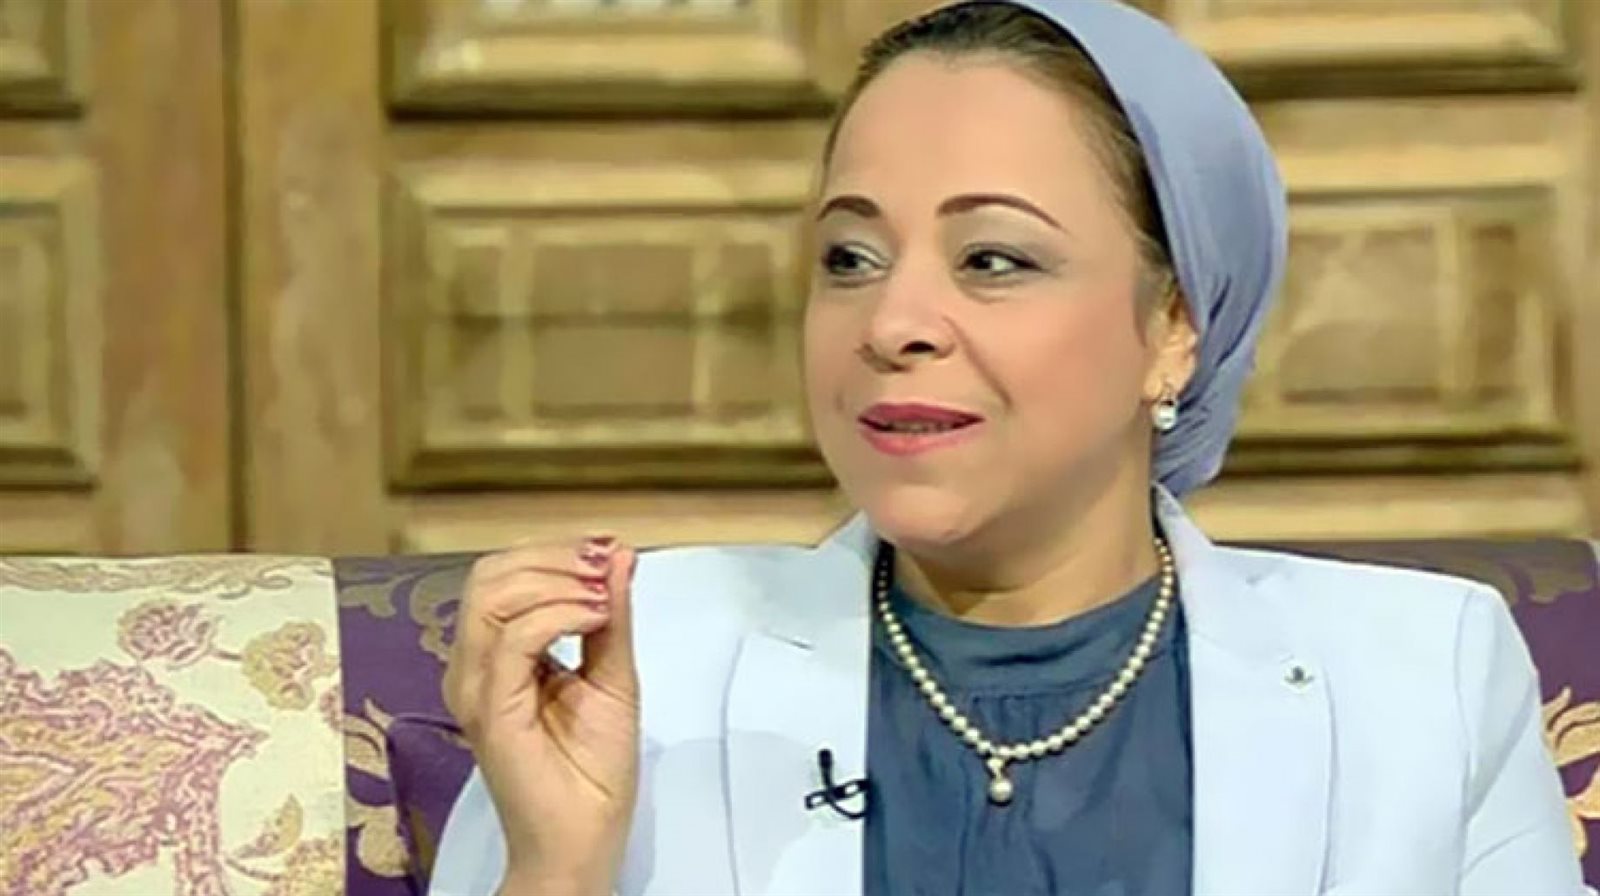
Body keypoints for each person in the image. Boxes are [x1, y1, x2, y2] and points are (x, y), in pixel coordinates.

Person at [427, 1, 1587, 894]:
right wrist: (558, 869)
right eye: (849, 258)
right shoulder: (634, 664)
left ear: (1173, 327)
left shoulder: (1422, 677)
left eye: (992, 259)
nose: (892, 323)